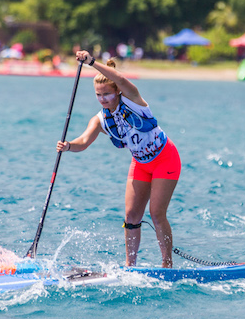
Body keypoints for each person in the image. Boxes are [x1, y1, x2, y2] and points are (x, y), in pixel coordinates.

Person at [57, 52, 180, 267]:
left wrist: (92, 63)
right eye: (98, 95)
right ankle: (129, 266)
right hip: (141, 164)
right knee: (131, 216)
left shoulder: (133, 100)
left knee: (156, 213)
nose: (103, 99)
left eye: (107, 93)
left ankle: (167, 264)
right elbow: (84, 141)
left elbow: (122, 80)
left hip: (165, 159)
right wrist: (68, 146)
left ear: (117, 92)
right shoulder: (100, 119)